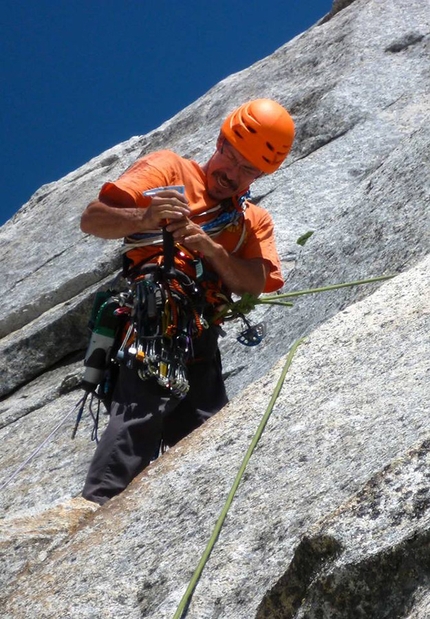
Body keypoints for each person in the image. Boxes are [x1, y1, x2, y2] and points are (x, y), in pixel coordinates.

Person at [80, 98, 295, 505]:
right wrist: (144, 218)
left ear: (260, 174)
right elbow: (93, 218)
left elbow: (257, 282)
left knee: (205, 426)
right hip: (154, 311)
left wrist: (213, 250)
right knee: (141, 408)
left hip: (201, 332)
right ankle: (98, 504)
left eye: (247, 170)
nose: (231, 174)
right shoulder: (170, 169)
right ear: (218, 142)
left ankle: (195, 513)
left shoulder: (252, 221)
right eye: (229, 158)